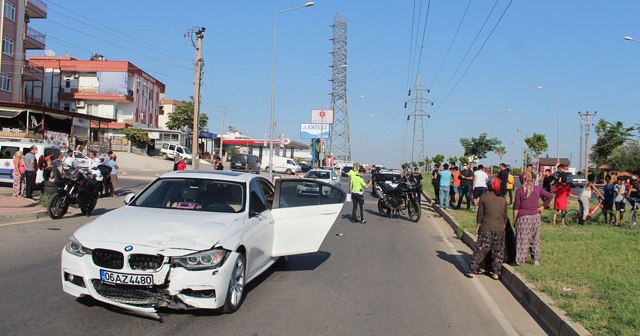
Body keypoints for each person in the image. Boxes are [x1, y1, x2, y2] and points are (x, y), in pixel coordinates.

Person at [465, 177, 508, 280]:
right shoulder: (503, 199)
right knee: (498, 251)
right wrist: (503, 227)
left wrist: (478, 224)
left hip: (486, 227)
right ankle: (496, 273)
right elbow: (505, 217)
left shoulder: (484, 197)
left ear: (489, 185)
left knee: (480, 249)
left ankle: (472, 270)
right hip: (499, 228)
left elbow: (480, 214)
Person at [513, 171, 552, 266]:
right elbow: (549, 196)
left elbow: (516, 207)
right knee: (535, 238)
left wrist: (514, 220)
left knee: (522, 239)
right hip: (536, 217)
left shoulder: (520, 191)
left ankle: (520, 261)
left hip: (523, 217)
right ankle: (535, 260)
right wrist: (542, 207)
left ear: (522, 179)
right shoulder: (537, 189)